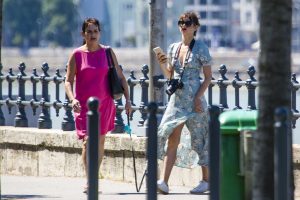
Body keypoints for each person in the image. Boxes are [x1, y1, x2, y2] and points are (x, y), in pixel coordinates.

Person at [64, 18, 132, 193]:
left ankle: (95, 176)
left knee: (100, 141)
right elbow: (68, 81)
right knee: (87, 142)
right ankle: (89, 180)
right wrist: (73, 99)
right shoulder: (77, 55)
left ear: (99, 33)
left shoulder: (108, 52)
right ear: (83, 34)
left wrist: (128, 101)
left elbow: (121, 77)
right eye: (89, 32)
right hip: (84, 107)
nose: (92, 35)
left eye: (95, 31)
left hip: (105, 104)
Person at [155, 11, 212, 194]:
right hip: (177, 100)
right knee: (171, 137)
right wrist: (162, 63)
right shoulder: (174, 48)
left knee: (200, 139)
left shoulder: (201, 48)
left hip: (195, 101)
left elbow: (208, 77)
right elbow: (170, 75)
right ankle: (163, 182)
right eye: (180, 22)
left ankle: (206, 180)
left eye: (187, 22)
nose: (183, 25)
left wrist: (198, 98)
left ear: (195, 27)